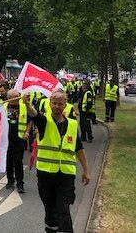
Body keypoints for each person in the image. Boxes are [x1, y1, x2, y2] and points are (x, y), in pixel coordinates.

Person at [27, 91, 90, 233]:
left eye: (60, 103)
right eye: (54, 103)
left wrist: (86, 171)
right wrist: (27, 104)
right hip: (46, 175)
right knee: (50, 210)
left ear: (65, 105)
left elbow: (79, 149)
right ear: (50, 104)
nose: (57, 106)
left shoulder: (73, 125)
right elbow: (34, 115)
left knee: (63, 210)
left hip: (66, 176)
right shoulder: (44, 122)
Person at [5, 89, 32, 193]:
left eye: (18, 96)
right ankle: (10, 181)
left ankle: (20, 184)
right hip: (7, 139)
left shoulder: (24, 107)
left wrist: (27, 132)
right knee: (8, 161)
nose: (17, 98)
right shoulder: (3, 107)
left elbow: (30, 121)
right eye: (14, 96)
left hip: (20, 139)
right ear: (9, 98)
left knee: (18, 161)